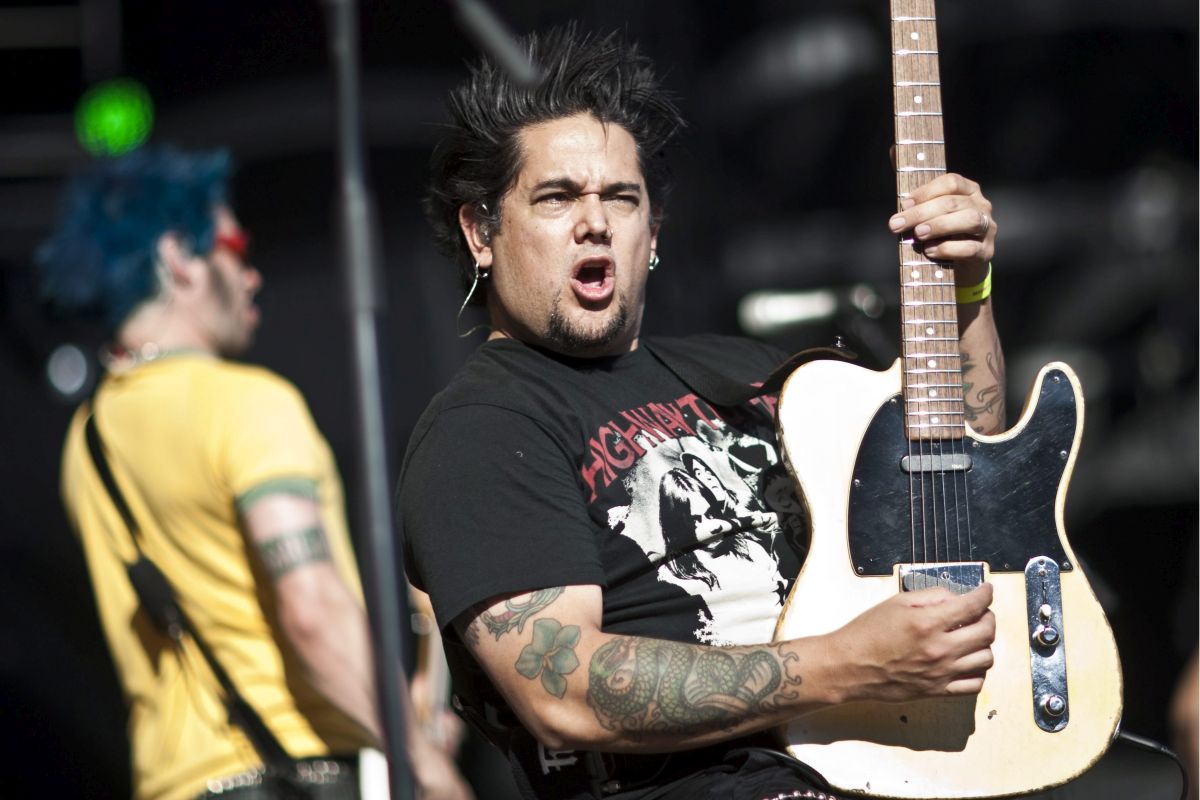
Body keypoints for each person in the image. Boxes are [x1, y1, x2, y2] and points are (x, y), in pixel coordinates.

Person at [399, 26, 1153, 800]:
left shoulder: (750, 371)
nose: (595, 222)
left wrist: (966, 290)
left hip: (901, 754)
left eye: (621, 198)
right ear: (481, 231)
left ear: (652, 231)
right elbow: (566, 692)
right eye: (557, 197)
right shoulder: (484, 429)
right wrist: (850, 663)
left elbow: (963, 458)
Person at [38, 147, 472, 800]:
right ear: (179, 258)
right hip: (293, 773)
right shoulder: (246, 403)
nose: (251, 276)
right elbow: (310, 611)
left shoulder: (86, 439)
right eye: (235, 246)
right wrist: (421, 760)